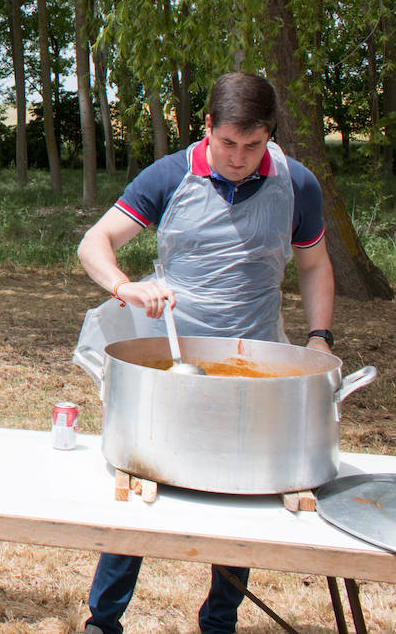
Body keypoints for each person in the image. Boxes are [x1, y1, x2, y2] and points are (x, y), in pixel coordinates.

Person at [72, 71, 335, 634]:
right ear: (207, 128)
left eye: (254, 145)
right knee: (143, 471)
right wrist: (126, 287)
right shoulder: (169, 175)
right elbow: (94, 243)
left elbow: (314, 265)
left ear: (269, 136)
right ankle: (104, 618)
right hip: (171, 357)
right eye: (228, 144)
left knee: (242, 486)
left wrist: (319, 339)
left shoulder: (298, 185)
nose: (239, 158)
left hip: (255, 356)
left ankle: (220, 620)